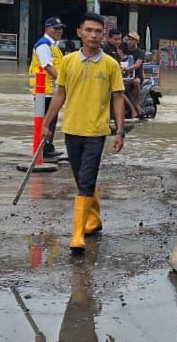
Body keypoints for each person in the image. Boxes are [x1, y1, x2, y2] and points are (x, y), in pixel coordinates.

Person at [41, 13, 125, 252]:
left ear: (103, 35)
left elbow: (117, 97)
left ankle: (77, 235)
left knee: (86, 179)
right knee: (81, 179)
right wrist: (47, 124)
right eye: (89, 30)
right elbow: (60, 94)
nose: (93, 35)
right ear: (79, 32)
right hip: (71, 129)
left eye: (98, 31)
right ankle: (94, 219)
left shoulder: (110, 64)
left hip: (97, 131)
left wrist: (120, 131)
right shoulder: (67, 62)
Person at [28, 16, 66, 159]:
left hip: (50, 90)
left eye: (60, 28)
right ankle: (42, 149)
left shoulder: (53, 46)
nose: (59, 31)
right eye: (55, 28)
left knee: (51, 119)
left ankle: (47, 147)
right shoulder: (43, 45)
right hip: (43, 91)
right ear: (47, 29)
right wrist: (62, 82)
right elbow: (47, 66)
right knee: (45, 120)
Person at [123, 32, 147, 119]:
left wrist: (127, 69)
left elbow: (137, 65)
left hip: (137, 75)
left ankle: (136, 104)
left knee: (136, 82)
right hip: (124, 75)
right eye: (129, 39)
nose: (129, 41)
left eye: (132, 40)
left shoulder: (140, 52)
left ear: (136, 41)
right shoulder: (124, 50)